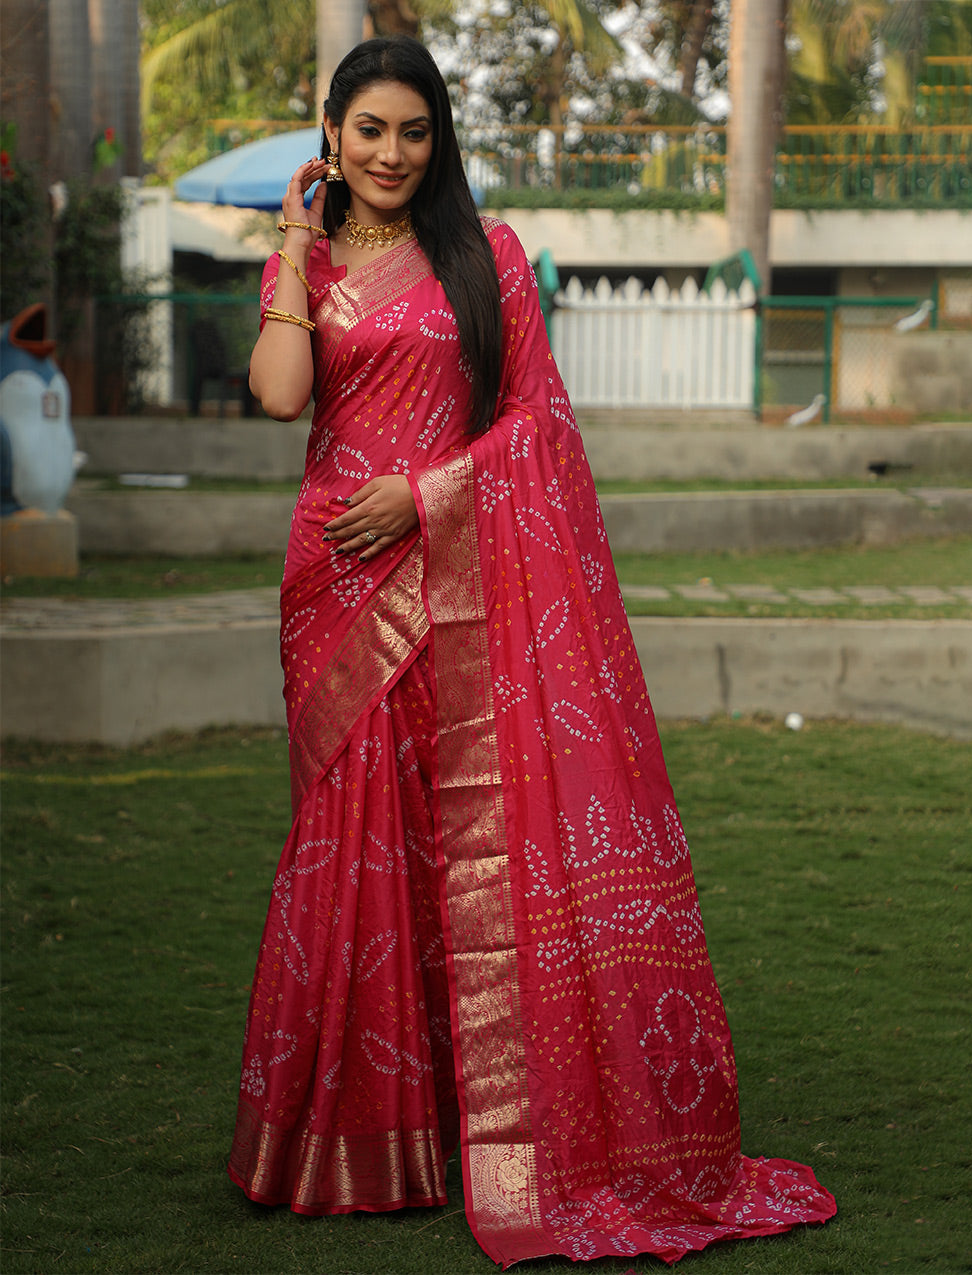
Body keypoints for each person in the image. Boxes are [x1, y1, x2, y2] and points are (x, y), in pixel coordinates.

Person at [228, 35, 837, 1269]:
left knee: (467, 835)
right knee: (355, 839)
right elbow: (284, 397)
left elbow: (538, 427)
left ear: (437, 139)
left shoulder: (484, 257)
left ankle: (486, 1126)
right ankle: (362, 1142)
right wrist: (293, 248)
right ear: (330, 135)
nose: (391, 154)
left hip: (449, 564)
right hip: (336, 585)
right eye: (369, 131)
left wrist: (424, 494)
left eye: (413, 131)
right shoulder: (302, 265)